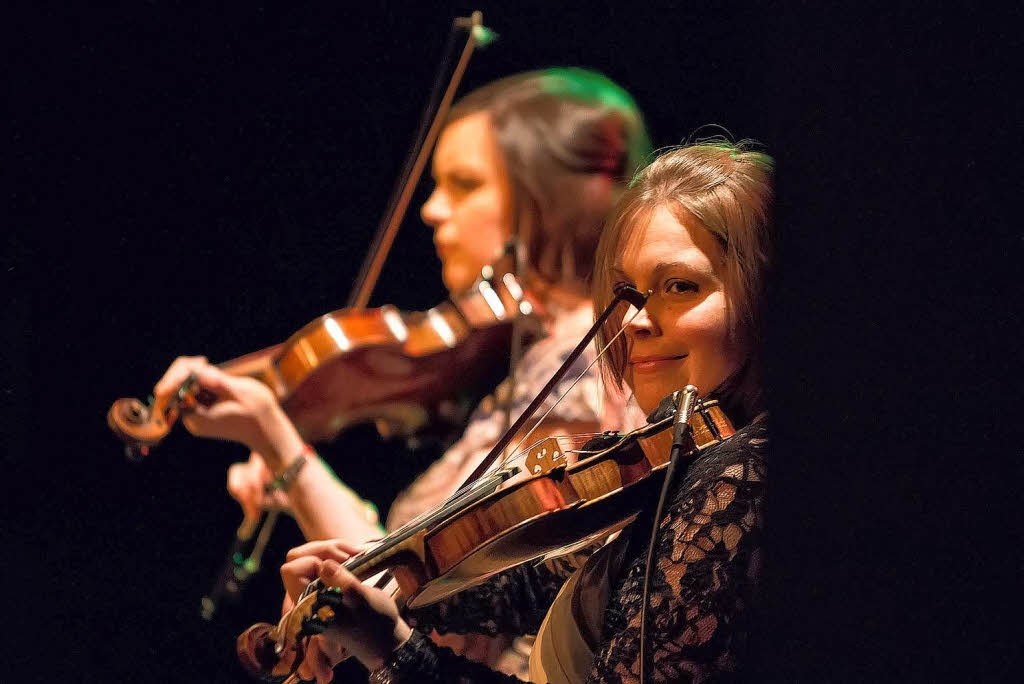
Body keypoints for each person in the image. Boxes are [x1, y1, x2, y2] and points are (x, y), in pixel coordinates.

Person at [150, 68, 651, 672]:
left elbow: (436, 604)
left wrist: (279, 441)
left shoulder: (587, 373)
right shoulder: (533, 360)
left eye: (465, 186)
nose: (432, 210)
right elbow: (408, 569)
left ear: (551, 197)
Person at [278, 140, 774, 683]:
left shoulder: (742, 477)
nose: (634, 320)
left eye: (680, 286)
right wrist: (385, 572)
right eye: (627, 291)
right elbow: (539, 581)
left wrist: (396, 650)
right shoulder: (686, 450)